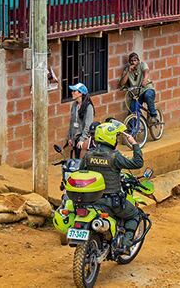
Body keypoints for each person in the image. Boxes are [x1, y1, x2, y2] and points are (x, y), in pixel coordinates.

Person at [81, 120, 144, 250]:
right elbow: (138, 163)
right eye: (115, 137)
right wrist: (134, 144)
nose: (116, 139)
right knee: (135, 214)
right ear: (109, 138)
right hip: (111, 202)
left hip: (90, 200)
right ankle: (125, 244)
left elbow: (81, 173)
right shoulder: (115, 157)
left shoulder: (88, 155)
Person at [118, 53, 158, 119]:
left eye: (135, 60)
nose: (133, 62)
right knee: (132, 108)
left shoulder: (142, 65)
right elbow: (122, 83)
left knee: (148, 95)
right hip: (138, 94)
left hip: (146, 89)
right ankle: (133, 128)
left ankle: (153, 116)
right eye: (131, 61)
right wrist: (128, 72)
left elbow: (146, 71)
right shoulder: (127, 69)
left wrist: (145, 79)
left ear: (138, 61)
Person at [67, 83, 95, 158]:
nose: (72, 92)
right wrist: (70, 137)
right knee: (74, 159)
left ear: (81, 93)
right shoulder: (74, 105)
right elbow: (72, 122)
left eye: (74, 91)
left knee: (81, 160)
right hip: (75, 137)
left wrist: (82, 139)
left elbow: (88, 125)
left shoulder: (88, 107)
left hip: (83, 138)